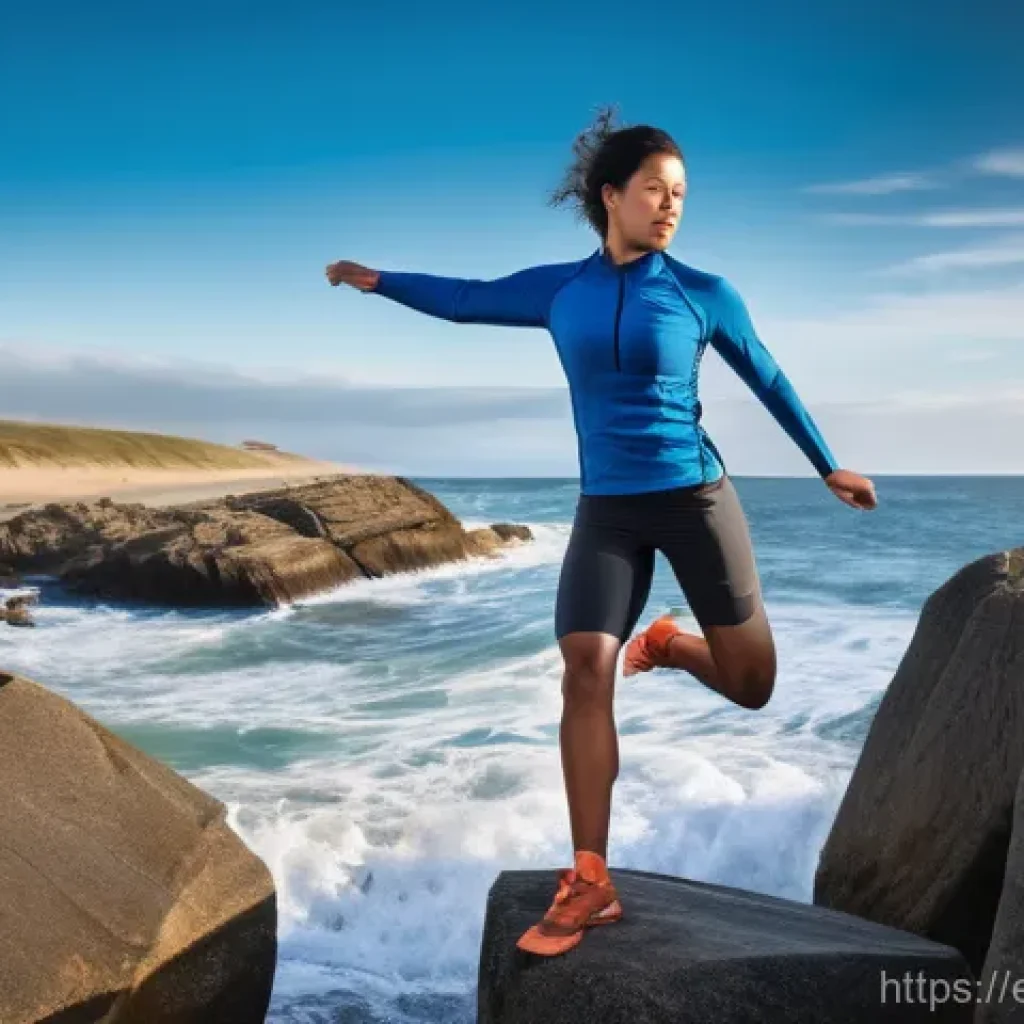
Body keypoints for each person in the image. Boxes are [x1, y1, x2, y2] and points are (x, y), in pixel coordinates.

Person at [325, 105, 878, 957]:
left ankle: (672, 645)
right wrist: (379, 280)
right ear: (610, 195)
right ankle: (591, 878)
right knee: (585, 669)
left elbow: (767, 377)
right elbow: (467, 301)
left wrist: (827, 465)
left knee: (752, 683)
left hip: (696, 502)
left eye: (680, 193)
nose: (671, 205)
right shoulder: (562, 291)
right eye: (655, 190)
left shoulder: (704, 294)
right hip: (608, 509)